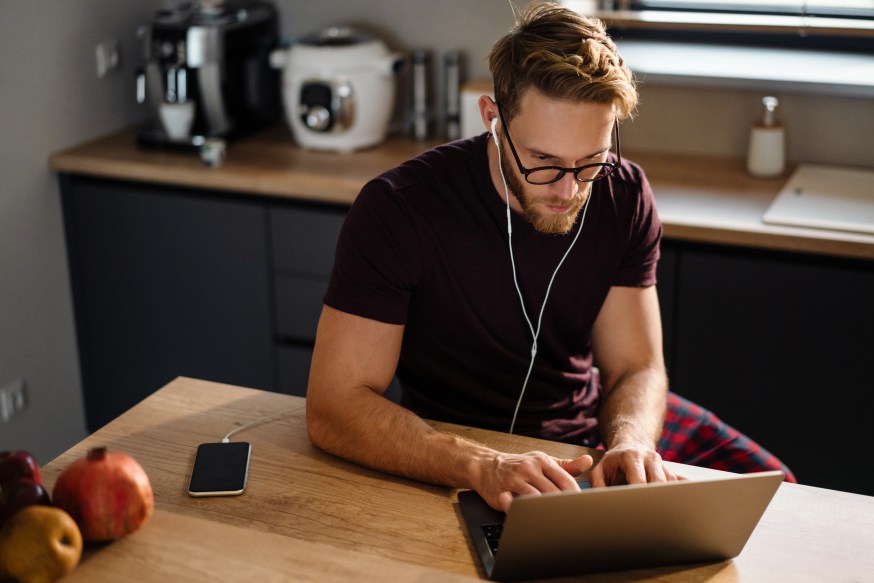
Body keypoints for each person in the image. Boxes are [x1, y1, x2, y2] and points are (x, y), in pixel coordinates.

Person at [306, 0, 792, 512]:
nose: (568, 189)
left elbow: (635, 366)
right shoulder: (398, 209)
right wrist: (480, 464)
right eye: (544, 161)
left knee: (781, 499)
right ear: (492, 117)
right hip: (456, 448)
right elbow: (334, 406)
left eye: (590, 162)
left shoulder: (623, 195)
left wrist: (631, 440)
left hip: (589, 439)